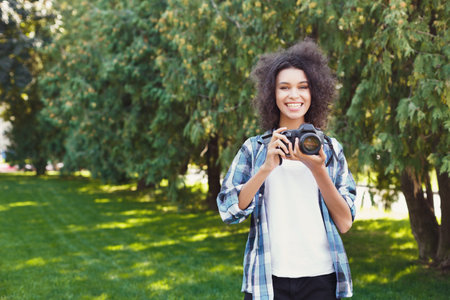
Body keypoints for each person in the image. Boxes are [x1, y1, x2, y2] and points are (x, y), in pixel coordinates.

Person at [216, 39, 356, 300]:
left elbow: (345, 223)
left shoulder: (330, 149)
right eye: (284, 87)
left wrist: (318, 170)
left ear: (314, 93)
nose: (294, 95)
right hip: (268, 280)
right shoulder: (254, 149)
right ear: (272, 94)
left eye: (303, 87)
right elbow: (228, 211)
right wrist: (265, 168)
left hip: (320, 278)